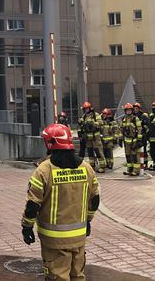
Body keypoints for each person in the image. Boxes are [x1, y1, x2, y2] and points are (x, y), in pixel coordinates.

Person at [21, 124, 100, 281]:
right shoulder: (86, 168)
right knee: (77, 276)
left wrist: (27, 226)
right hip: (79, 238)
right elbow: (95, 199)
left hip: (54, 242)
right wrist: (88, 221)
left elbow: (32, 205)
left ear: (50, 143)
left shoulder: (44, 171)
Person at [79, 102, 105, 173]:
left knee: (98, 151)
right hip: (88, 137)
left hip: (95, 137)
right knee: (90, 152)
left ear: (90, 108)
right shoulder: (83, 116)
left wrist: (92, 123)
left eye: (87, 108)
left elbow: (100, 123)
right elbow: (81, 126)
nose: (86, 110)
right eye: (85, 109)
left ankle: (102, 166)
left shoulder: (95, 115)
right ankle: (92, 166)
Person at [120, 103, 142, 177]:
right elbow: (121, 129)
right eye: (127, 110)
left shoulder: (135, 118)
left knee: (134, 156)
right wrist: (120, 138)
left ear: (132, 111)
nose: (128, 112)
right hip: (126, 141)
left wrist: (139, 139)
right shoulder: (124, 119)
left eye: (130, 110)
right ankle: (130, 169)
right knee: (128, 155)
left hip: (134, 141)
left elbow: (139, 128)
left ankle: (136, 171)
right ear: (125, 111)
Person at [133, 102, 150, 167]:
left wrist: (142, 128)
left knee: (143, 150)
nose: (135, 110)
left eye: (136, 108)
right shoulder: (132, 116)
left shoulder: (143, 116)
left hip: (143, 136)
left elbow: (147, 126)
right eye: (134, 108)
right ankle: (138, 164)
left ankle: (145, 164)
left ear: (139, 109)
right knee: (135, 151)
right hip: (134, 137)